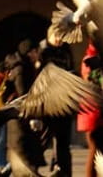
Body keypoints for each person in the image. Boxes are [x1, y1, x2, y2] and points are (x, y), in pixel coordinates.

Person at [38, 27, 76, 176]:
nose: (59, 39)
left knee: (63, 142)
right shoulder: (44, 53)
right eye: (57, 36)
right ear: (49, 36)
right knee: (43, 139)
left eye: (62, 36)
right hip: (48, 103)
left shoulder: (66, 52)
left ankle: (64, 171)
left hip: (64, 102)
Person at [78, 42, 103, 177]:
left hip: (90, 111)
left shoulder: (88, 59)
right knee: (94, 151)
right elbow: (96, 84)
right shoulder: (92, 61)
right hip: (93, 111)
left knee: (96, 151)